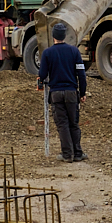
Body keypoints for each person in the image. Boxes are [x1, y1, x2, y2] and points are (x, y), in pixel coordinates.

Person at [37, 23, 88, 162]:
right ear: (64, 36)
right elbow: (81, 75)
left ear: (53, 36)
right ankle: (78, 153)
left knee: (62, 124)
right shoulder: (74, 51)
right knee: (74, 123)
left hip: (56, 93)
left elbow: (42, 74)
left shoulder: (47, 53)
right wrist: (82, 93)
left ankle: (67, 155)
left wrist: (40, 82)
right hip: (72, 93)